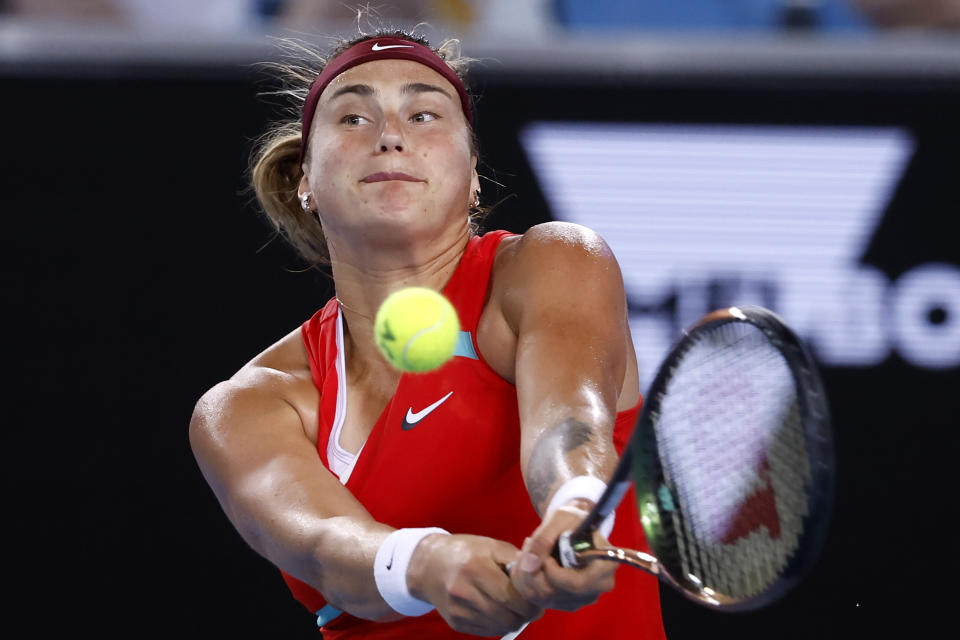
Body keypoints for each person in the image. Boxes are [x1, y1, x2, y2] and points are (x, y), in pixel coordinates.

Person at [189, 29, 666, 639]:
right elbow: (326, 548)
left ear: (472, 176)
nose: (390, 135)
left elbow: (570, 419)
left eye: (423, 114)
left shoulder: (556, 263)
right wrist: (428, 564)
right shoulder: (249, 405)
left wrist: (576, 504)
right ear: (305, 179)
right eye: (354, 117)